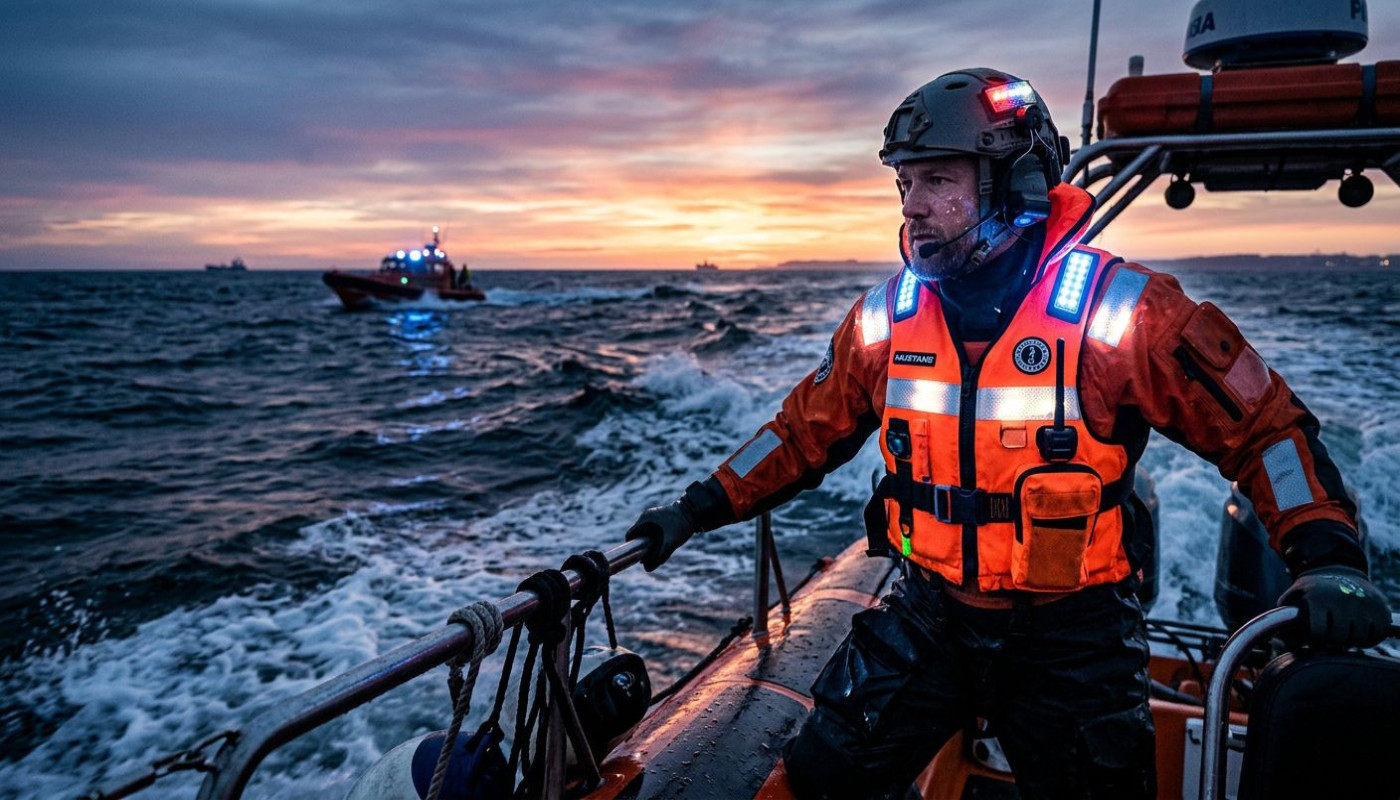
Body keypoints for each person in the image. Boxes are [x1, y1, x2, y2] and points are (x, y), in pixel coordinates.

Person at [624, 68, 1390, 799]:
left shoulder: (1124, 314)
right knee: (826, 778)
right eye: (905, 183)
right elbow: (796, 434)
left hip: (1074, 636)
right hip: (930, 613)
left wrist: (1326, 555)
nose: (911, 206)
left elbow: (1265, 430)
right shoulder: (886, 318)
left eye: (937, 180)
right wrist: (695, 509)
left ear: (1018, 185)